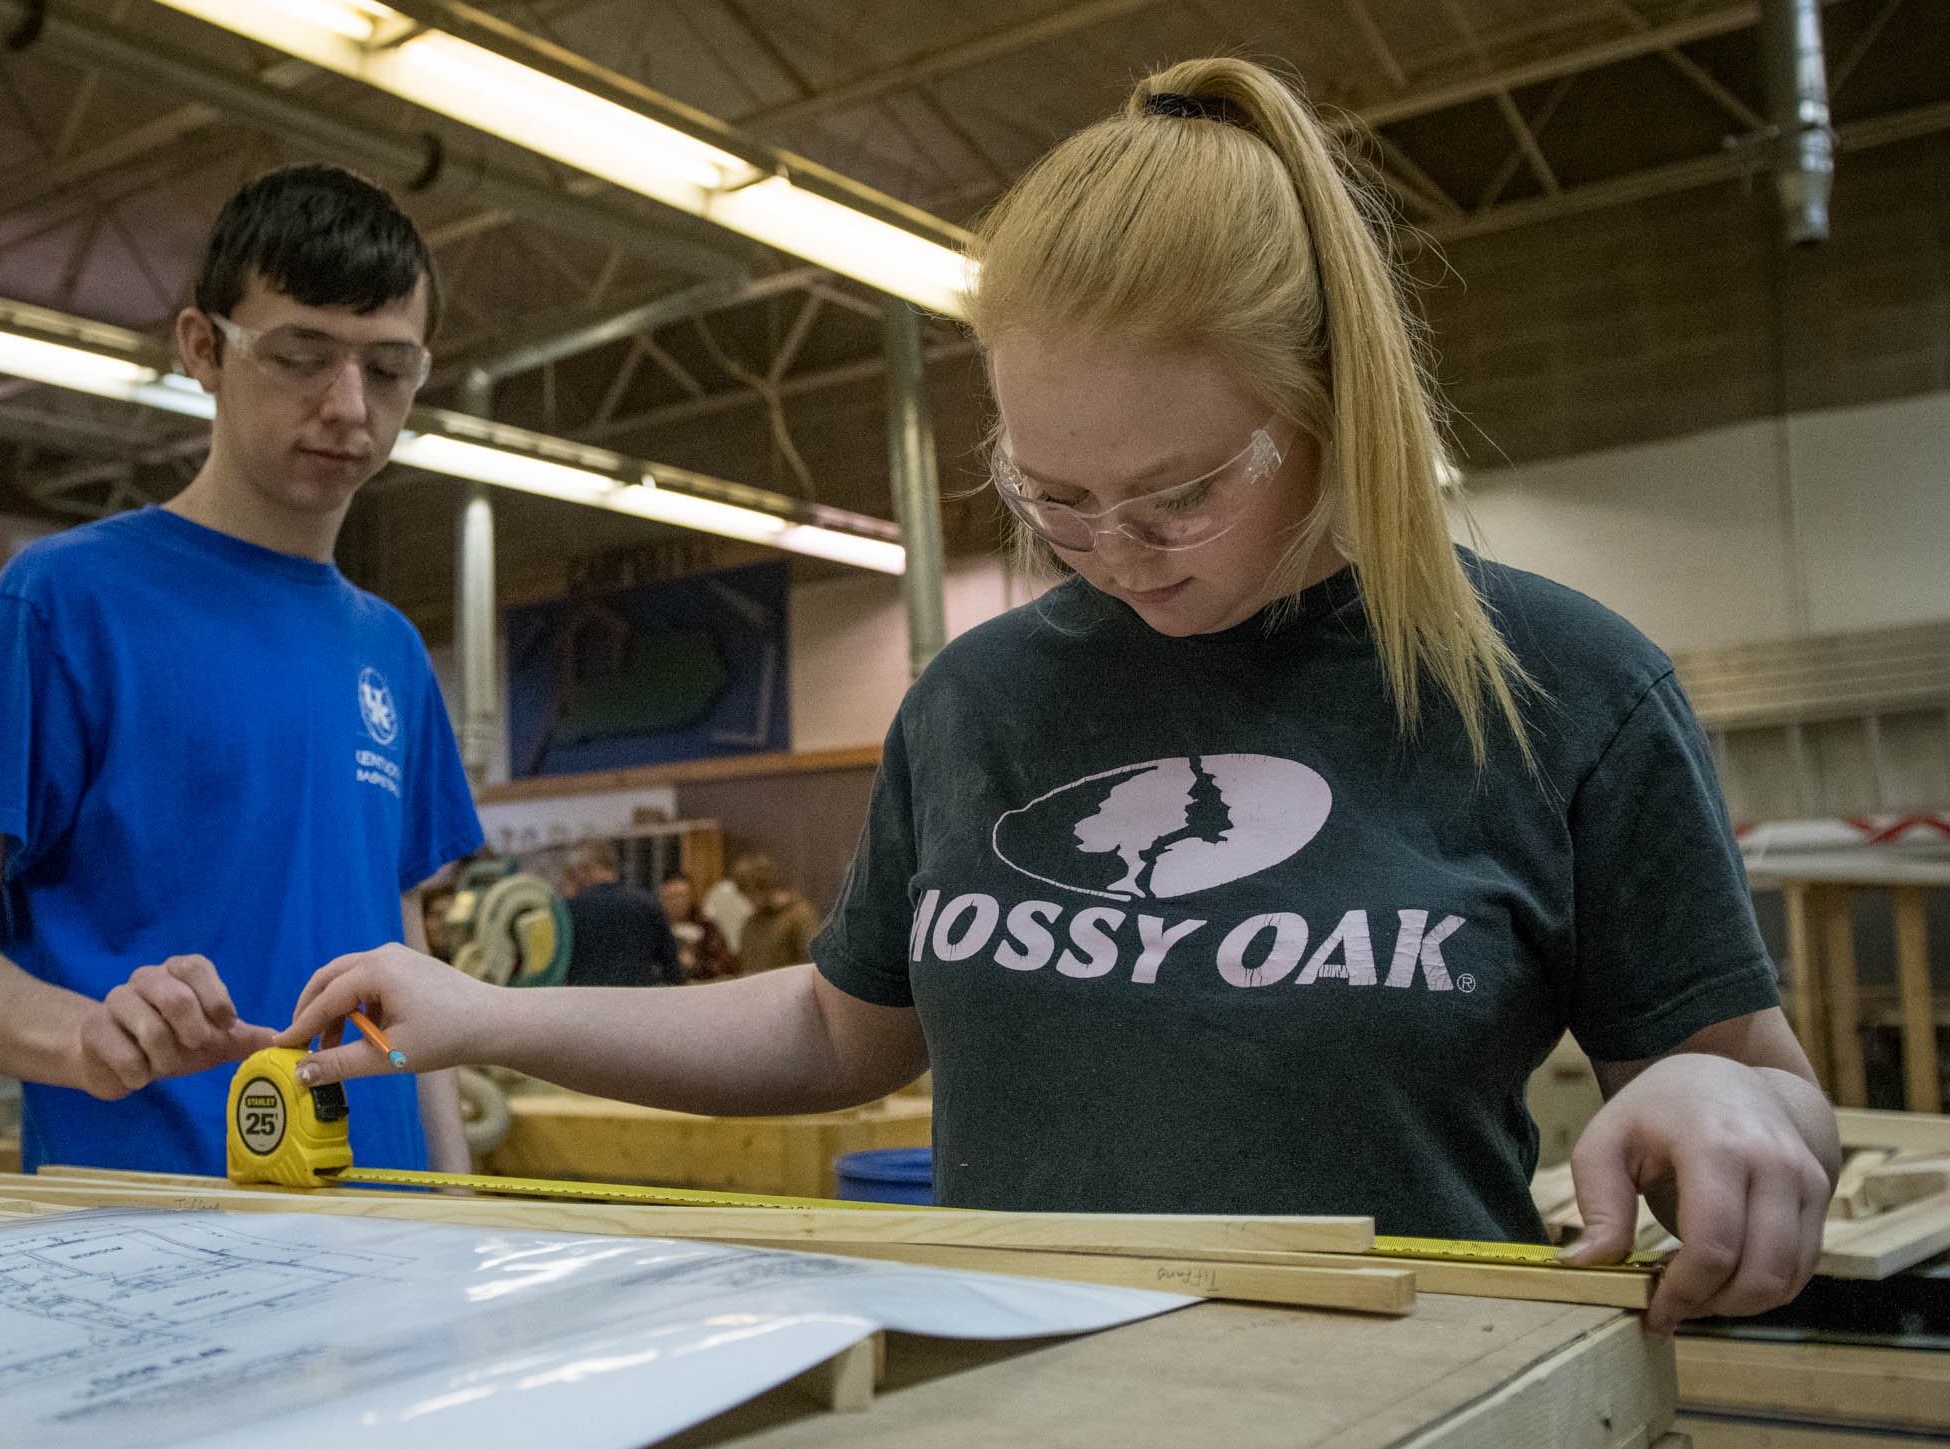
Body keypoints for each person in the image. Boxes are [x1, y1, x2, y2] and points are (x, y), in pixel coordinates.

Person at [277, 60, 1837, 1336]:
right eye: (1053, 496)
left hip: (1399, 1408)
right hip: (1022, 1399)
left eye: (1176, 495)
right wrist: (489, 1016)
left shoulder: (1560, 690)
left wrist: (1720, 1097)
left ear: (1328, 405)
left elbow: (1772, 1104)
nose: (1111, 553)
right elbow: (840, 1026)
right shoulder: (979, 703)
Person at [0, 164, 482, 1178]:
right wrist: (83, 1036)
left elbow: (404, 958)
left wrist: (457, 1206)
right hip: (151, 1239)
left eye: (390, 368)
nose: (348, 406)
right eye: (300, 356)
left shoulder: (393, 651)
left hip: (385, 1232)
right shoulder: (67, 603)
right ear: (204, 349)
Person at [560, 841, 683, 988]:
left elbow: (557, 966)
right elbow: (672, 968)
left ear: (585, 869)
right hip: (638, 1002)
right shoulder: (648, 904)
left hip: (587, 1002)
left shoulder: (569, 910)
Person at [728, 853, 821, 976]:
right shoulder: (751, 923)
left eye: (749, 893)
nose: (747, 900)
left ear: (764, 887)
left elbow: (812, 965)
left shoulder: (799, 915)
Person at [660, 875, 740, 981]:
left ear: (691, 897)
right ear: (662, 899)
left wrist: (698, 964)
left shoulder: (707, 928)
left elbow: (725, 965)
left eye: (682, 896)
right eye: (671, 897)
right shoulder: (654, 930)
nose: (677, 902)